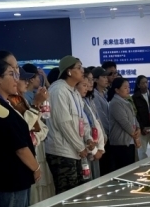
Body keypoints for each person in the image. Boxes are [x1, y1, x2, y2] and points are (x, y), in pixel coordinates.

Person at [0, 59, 41, 207]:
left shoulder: (4, 103)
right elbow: (19, 146)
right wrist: (35, 167)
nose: (17, 79)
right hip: (10, 178)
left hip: (15, 177)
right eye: (11, 74)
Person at [45, 56, 94, 194]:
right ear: (69, 71)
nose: (82, 70)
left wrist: (88, 138)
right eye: (78, 67)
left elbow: (82, 120)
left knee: (79, 192)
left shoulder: (74, 92)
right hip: (62, 152)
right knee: (67, 194)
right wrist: (80, 147)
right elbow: (64, 124)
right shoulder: (58, 90)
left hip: (75, 150)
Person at [8, 68, 52, 204]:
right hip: (24, 158)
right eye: (24, 79)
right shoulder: (10, 102)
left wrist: (35, 137)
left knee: (38, 195)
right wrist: (36, 104)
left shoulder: (22, 101)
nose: (27, 83)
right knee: (26, 201)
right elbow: (23, 129)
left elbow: (42, 128)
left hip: (35, 150)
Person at [106, 77, 140, 171]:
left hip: (129, 141)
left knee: (131, 170)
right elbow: (124, 122)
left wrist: (138, 128)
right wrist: (135, 136)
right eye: (125, 88)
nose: (128, 90)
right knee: (124, 170)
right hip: (120, 143)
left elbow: (134, 118)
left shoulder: (126, 101)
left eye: (128, 87)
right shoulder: (115, 103)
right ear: (117, 90)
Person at [78, 69, 106, 180]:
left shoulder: (88, 99)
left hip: (95, 145)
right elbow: (85, 127)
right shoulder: (80, 102)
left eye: (91, 80)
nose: (90, 83)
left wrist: (101, 145)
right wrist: (95, 150)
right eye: (85, 83)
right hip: (88, 148)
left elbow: (96, 122)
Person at [92, 67, 113, 174]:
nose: (106, 79)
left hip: (107, 134)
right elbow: (101, 118)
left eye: (106, 77)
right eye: (103, 77)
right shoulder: (94, 95)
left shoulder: (103, 93)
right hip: (103, 136)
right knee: (105, 167)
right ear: (95, 79)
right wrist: (110, 131)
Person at [132, 75, 150, 159]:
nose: (145, 85)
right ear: (138, 85)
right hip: (143, 128)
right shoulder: (135, 98)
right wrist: (141, 127)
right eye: (142, 83)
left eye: (146, 82)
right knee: (141, 151)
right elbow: (135, 115)